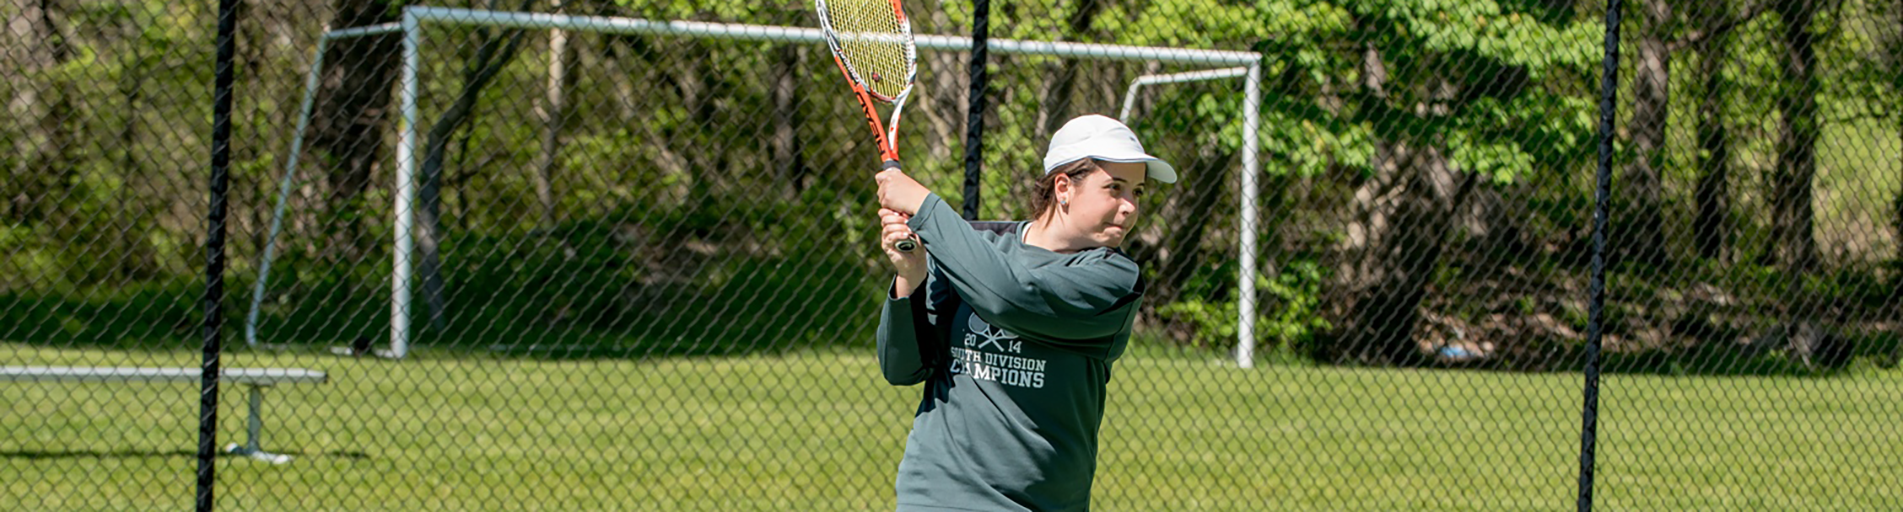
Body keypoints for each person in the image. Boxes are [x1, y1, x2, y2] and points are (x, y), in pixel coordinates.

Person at [873, 114, 1177, 511]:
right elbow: (902, 367)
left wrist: (924, 205)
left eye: (1137, 191)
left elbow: (1009, 296)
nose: (1129, 207)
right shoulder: (975, 246)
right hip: (940, 493)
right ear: (1064, 187)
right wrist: (911, 277)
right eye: (1114, 188)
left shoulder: (1115, 280)